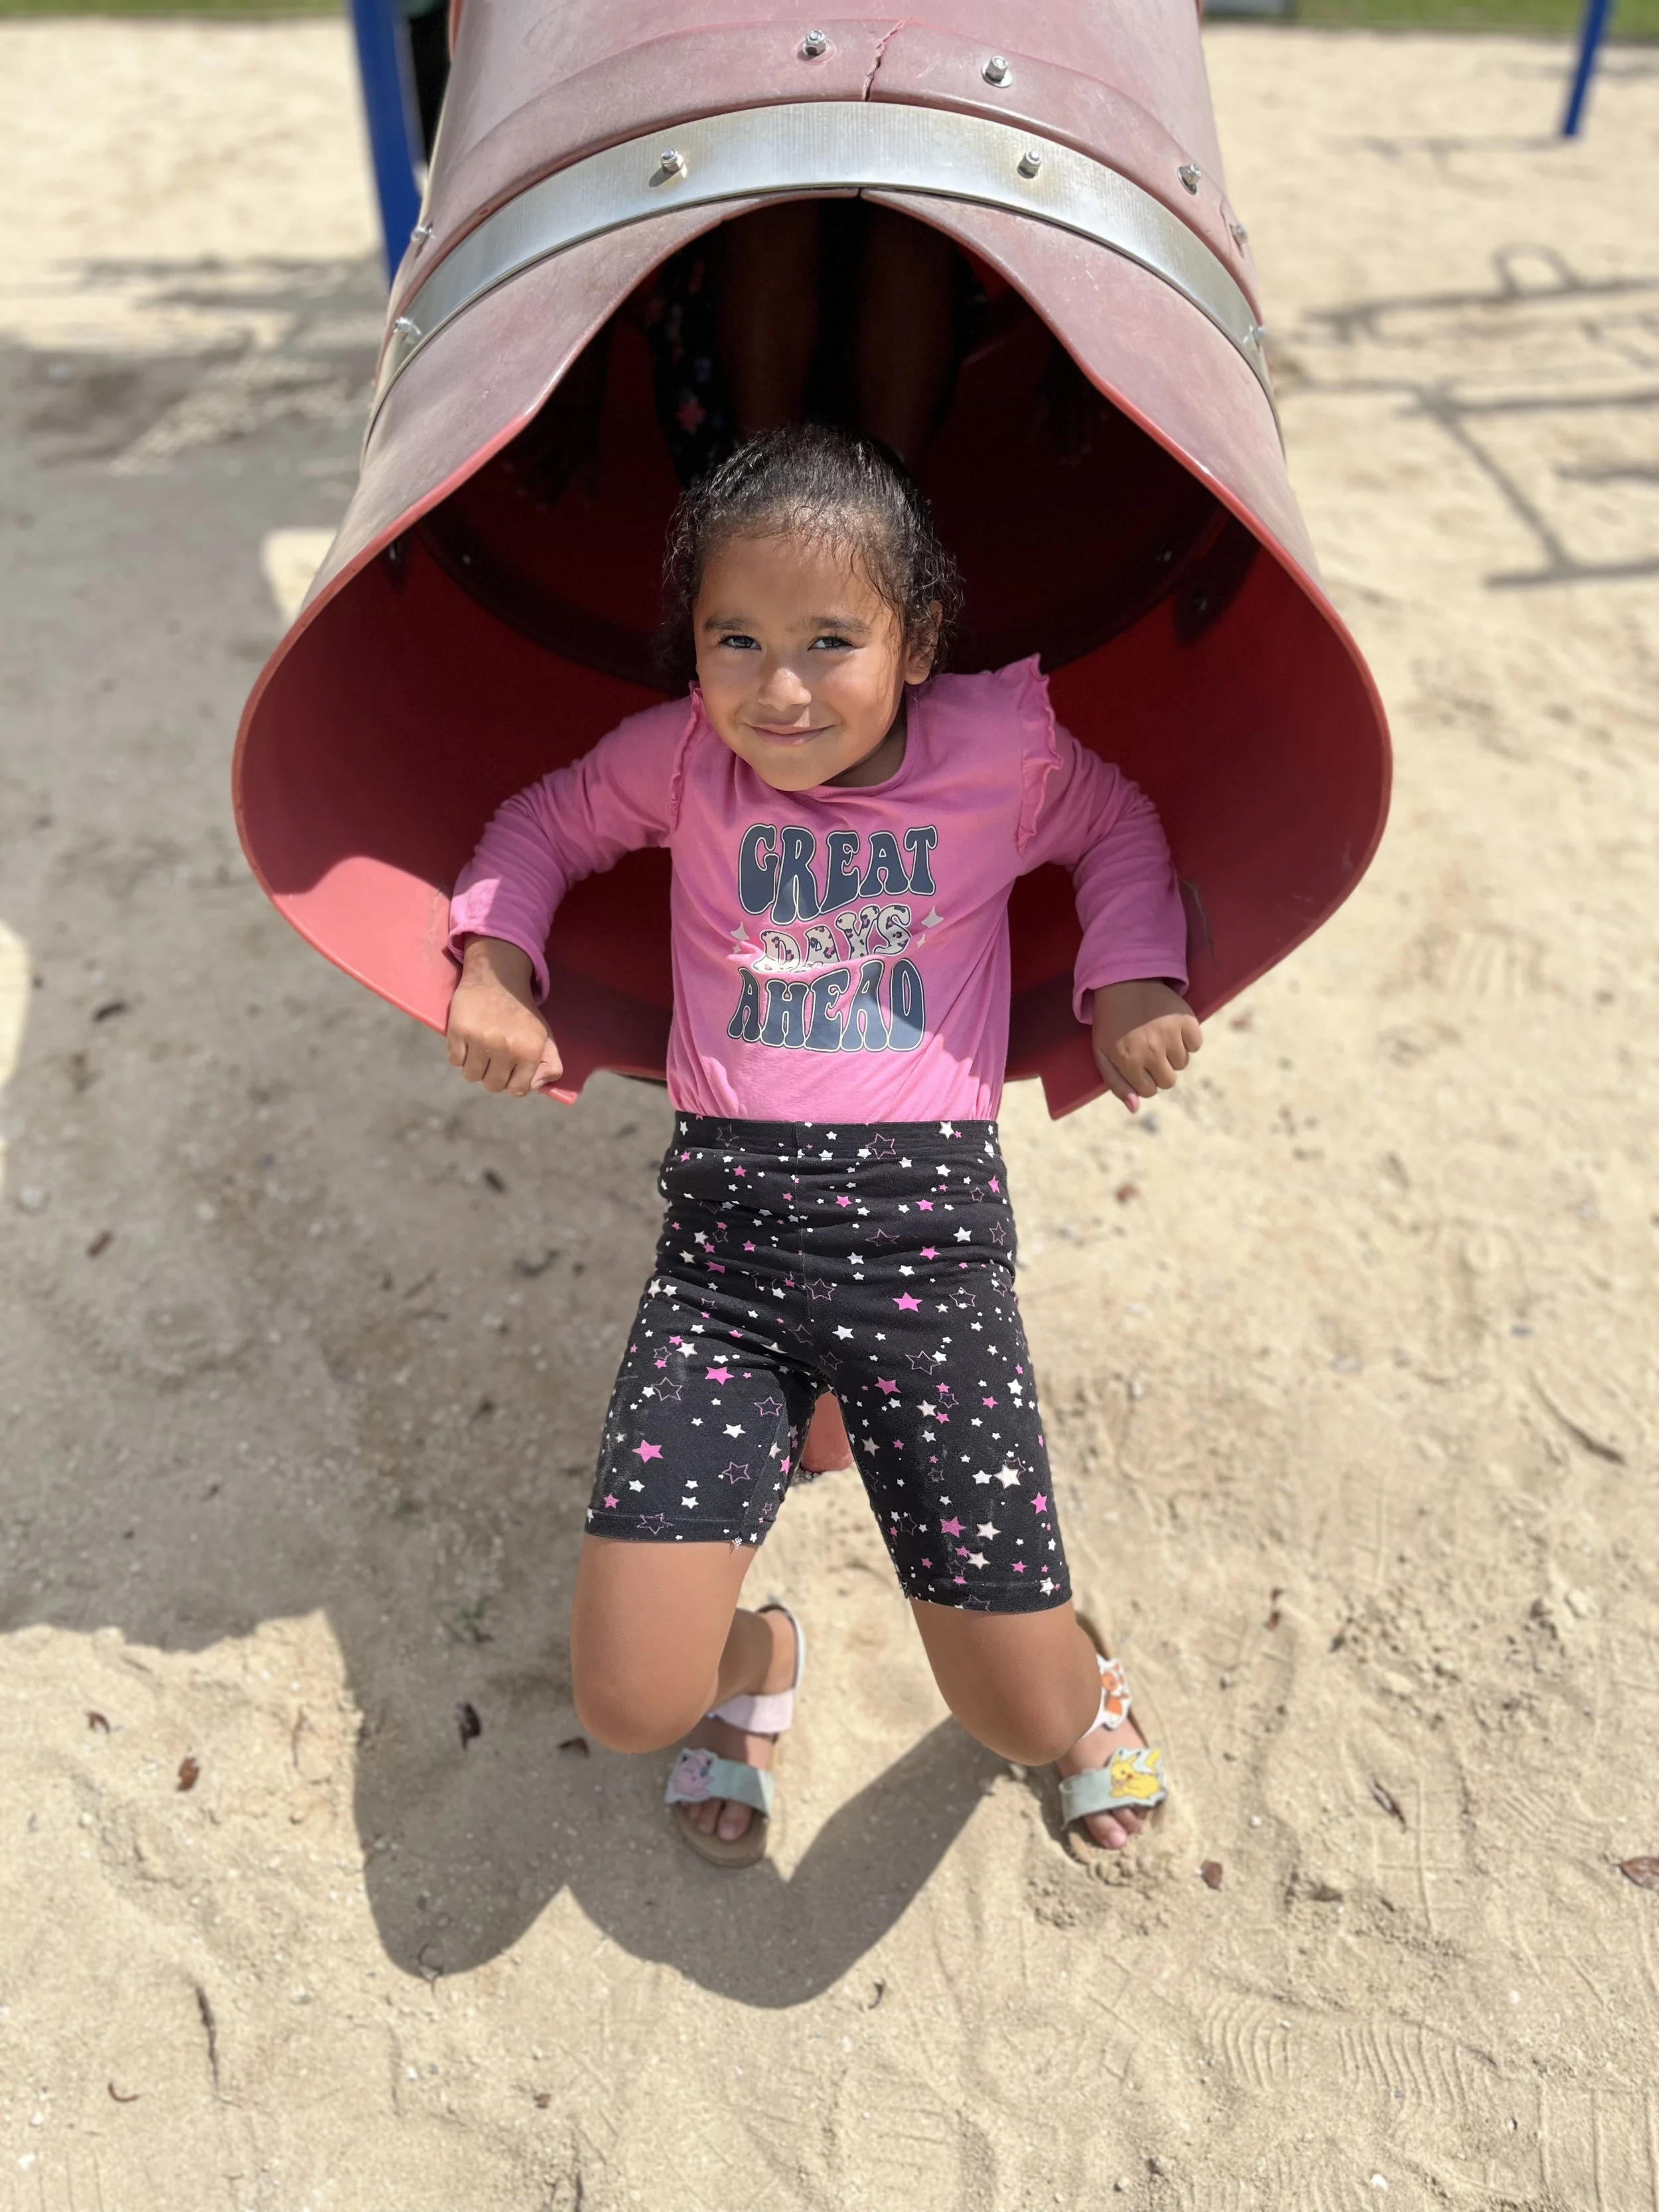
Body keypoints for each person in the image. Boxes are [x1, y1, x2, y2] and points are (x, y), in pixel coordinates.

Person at [442, 426, 1202, 1868]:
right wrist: (494, 965)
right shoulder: (677, 758)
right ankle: (757, 1662)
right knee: (627, 1702)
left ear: (916, 642)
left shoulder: (1000, 750)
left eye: (828, 641)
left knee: (1022, 1721)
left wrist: (1135, 978)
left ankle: (1071, 1669)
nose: (777, 690)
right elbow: (538, 826)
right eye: (733, 638)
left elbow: (1118, 829)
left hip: (926, 1252)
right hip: (723, 1259)